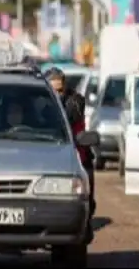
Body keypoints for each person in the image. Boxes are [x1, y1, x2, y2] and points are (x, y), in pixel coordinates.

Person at [45, 67, 95, 243]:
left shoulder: (74, 103)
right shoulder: (38, 104)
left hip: (75, 155)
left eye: (60, 90)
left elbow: (74, 126)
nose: (57, 95)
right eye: (52, 91)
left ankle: (85, 225)